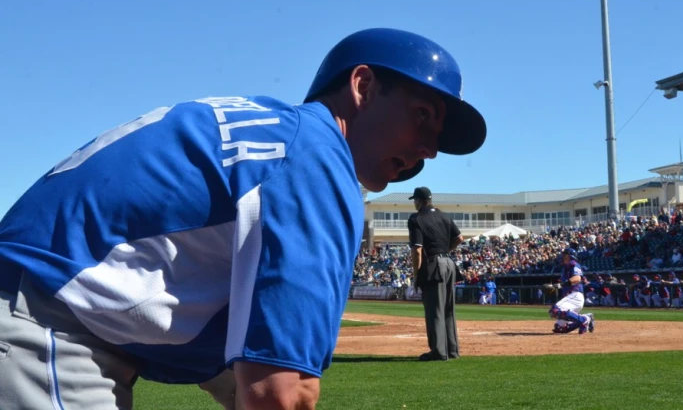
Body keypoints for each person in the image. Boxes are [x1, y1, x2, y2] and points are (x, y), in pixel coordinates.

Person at [0, 27, 487, 409]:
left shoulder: (276, 133)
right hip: (44, 313)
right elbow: (280, 393)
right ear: (362, 86)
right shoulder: (316, 159)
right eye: (422, 115)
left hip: (44, 295)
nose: (429, 150)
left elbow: (245, 378)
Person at [408, 186, 464, 361]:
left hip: (433, 265)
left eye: (415, 200)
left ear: (419, 201)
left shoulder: (416, 218)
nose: (414, 204)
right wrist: (445, 250)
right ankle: (452, 350)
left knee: (434, 309)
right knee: (448, 309)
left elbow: (417, 250)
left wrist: (416, 275)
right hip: (448, 263)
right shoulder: (444, 215)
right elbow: (460, 238)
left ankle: (438, 351)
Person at [550, 248, 594, 335]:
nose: (562, 256)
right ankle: (587, 317)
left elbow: (577, 278)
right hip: (571, 298)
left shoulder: (573, 264)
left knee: (555, 310)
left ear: (570, 256)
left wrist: (560, 285)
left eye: (565, 255)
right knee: (559, 328)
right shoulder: (565, 268)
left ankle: (583, 320)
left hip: (575, 295)